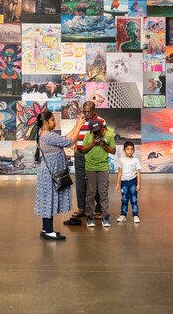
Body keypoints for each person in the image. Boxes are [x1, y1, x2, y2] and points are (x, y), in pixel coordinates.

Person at [34, 111, 86, 240]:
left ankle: (46, 228)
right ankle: (48, 230)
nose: (54, 122)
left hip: (49, 172)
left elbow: (65, 139)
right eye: (52, 120)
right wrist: (79, 126)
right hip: (50, 173)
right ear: (45, 122)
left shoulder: (46, 134)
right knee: (48, 200)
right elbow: (69, 142)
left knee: (48, 199)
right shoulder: (47, 135)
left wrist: (76, 125)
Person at [72, 101, 105, 219]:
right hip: (80, 154)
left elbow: (104, 138)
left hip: (93, 154)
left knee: (94, 182)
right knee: (80, 182)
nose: (86, 114)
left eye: (88, 111)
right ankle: (81, 208)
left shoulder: (101, 121)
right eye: (84, 111)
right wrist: (75, 144)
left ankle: (98, 208)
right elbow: (75, 133)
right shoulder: (81, 120)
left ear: (94, 110)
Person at [82, 119, 116, 227]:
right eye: (94, 132)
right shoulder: (88, 135)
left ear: (102, 127)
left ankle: (105, 216)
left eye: (98, 130)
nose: (96, 133)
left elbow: (113, 151)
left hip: (103, 166)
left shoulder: (109, 135)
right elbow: (83, 150)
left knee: (103, 192)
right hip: (90, 167)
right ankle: (90, 217)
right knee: (91, 192)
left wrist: (104, 145)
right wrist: (93, 143)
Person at [115, 141, 142, 223]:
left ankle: (135, 215)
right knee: (124, 199)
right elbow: (119, 172)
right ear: (124, 150)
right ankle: (123, 214)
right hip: (124, 183)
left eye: (131, 149)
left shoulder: (136, 160)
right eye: (127, 149)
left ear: (134, 150)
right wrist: (118, 183)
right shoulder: (121, 160)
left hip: (133, 182)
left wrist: (138, 184)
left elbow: (138, 172)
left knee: (134, 199)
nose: (129, 151)